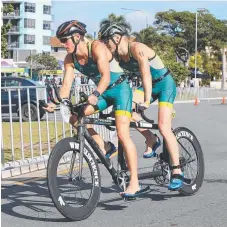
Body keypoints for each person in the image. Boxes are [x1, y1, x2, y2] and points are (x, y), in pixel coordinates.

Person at [43, 20, 146, 198]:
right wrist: (59, 101)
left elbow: (106, 76)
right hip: (103, 93)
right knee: (75, 118)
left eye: (65, 40)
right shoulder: (70, 59)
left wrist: (95, 94)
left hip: (119, 90)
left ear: (77, 38)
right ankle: (104, 146)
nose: (62, 44)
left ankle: (134, 182)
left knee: (123, 134)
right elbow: (66, 85)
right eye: (60, 41)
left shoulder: (96, 47)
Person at [98, 22, 184, 190]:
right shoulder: (116, 57)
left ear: (116, 38)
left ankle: (177, 170)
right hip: (148, 86)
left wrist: (145, 101)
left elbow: (146, 74)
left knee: (164, 127)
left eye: (107, 41)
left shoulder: (137, 48)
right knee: (127, 111)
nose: (105, 46)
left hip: (164, 84)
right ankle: (151, 139)